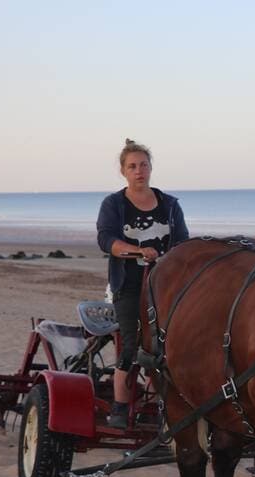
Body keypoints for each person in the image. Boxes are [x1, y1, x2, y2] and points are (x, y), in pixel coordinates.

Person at [96, 139, 189, 428]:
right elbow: (106, 240)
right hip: (129, 285)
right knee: (131, 344)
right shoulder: (114, 204)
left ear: (151, 168)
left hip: (166, 286)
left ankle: (168, 404)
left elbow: (183, 244)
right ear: (123, 171)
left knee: (171, 345)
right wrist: (138, 251)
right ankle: (121, 407)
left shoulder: (170, 205)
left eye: (144, 165)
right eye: (132, 166)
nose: (139, 171)